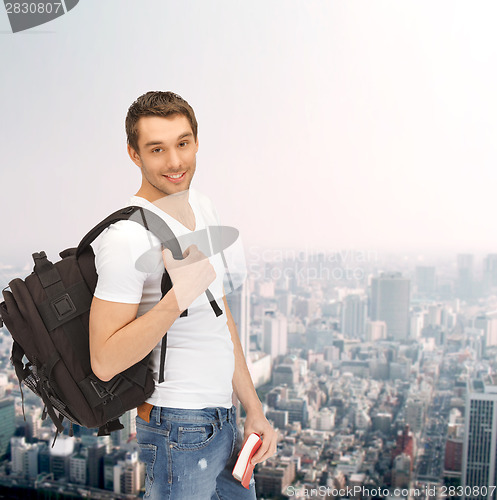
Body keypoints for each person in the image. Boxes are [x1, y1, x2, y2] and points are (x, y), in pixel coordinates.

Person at [88, 91, 277, 499]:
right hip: (176, 426)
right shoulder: (127, 238)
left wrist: (253, 406)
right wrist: (176, 299)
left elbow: (219, 317)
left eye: (183, 143)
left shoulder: (203, 207)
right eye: (157, 149)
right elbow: (104, 361)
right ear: (134, 155)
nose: (175, 162)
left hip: (224, 420)